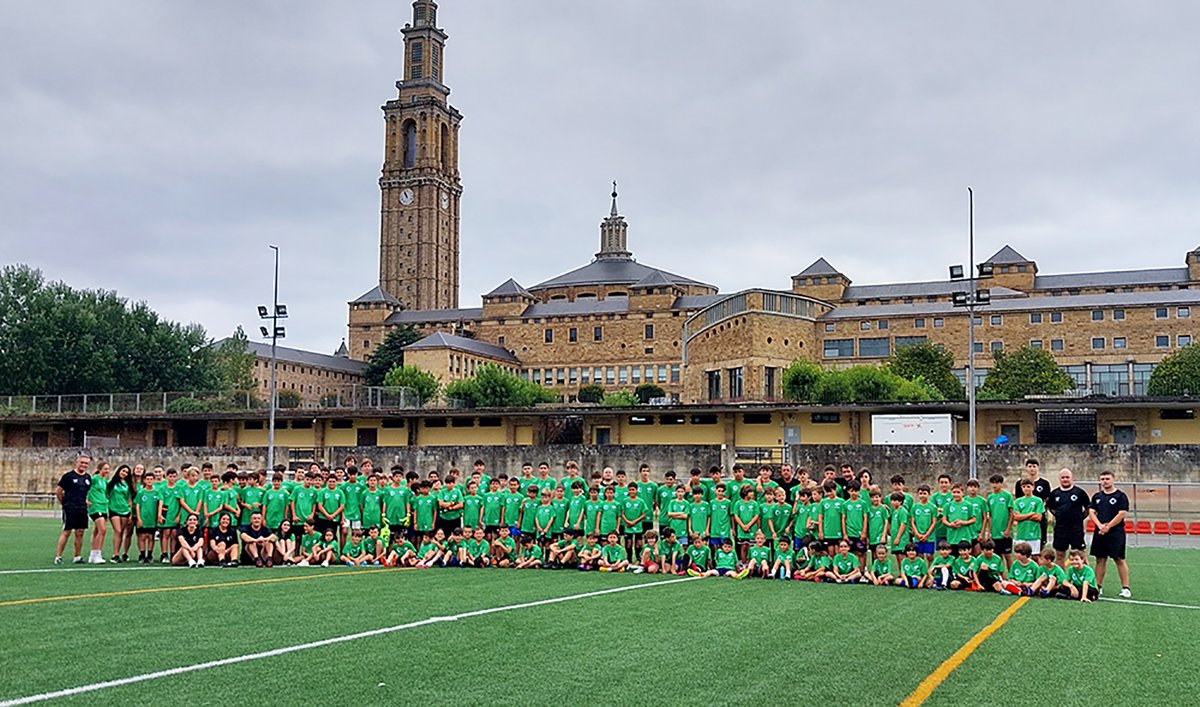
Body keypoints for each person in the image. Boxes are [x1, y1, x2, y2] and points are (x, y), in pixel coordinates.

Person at [1088, 470, 1131, 598]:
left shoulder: (1120, 496)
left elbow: (1122, 513)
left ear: (1113, 479)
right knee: (1100, 559)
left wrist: (1108, 526)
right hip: (1100, 532)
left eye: (1107, 478)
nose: (1104, 481)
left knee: (1119, 559)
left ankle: (1126, 588)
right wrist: (1100, 525)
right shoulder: (1097, 496)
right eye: (1102, 479)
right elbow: (1091, 512)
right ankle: (1098, 587)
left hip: (1115, 533)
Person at [1046, 468, 1090, 566]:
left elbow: (1088, 508)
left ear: (1072, 478)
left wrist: (1079, 517)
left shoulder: (1079, 492)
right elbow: (1051, 508)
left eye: (1067, 477)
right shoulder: (1055, 493)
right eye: (1063, 477)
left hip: (1076, 529)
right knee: (1060, 555)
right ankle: (1062, 579)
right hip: (1060, 529)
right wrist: (1059, 515)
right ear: (1059, 479)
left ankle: (1087, 578)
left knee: (1081, 554)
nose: (1065, 479)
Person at [1016, 459, 1052, 545]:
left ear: (1038, 468)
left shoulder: (1044, 483)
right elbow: (1017, 501)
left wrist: (1046, 513)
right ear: (1026, 468)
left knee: (1040, 543)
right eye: (1030, 466)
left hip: (1039, 516)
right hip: (1024, 520)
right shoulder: (1019, 483)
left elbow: (1047, 500)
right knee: (1023, 546)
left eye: (1034, 466)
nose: (1032, 468)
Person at [107, 464, 135, 563]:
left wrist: (131, 513)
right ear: (119, 471)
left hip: (125, 510)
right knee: (117, 531)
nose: (124, 473)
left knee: (122, 532)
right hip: (113, 509)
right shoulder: (111, 483)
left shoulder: (128, 484)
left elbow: (129, 500)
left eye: (126, 472)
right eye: (123, 471)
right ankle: (114, 554)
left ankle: (118, 554)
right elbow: (105, 494)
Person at [84, 459, 109, 564]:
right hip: (95, 506)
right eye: (105, 469)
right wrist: (85, 499)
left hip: (103, 506)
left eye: (108, 469)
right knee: (103, 530)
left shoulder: (104, 481)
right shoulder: (94, 479)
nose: (107, 470)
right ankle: (98, 553)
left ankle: (93, 555)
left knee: (97, 530)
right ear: (100, 469)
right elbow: (85, 487)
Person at [1012, 479, 1045, 554]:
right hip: (1021, 534)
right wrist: (1031, 514)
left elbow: (1038, 517)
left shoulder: (1038, 500)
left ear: (1033, 487)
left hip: (1034, 534)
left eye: (1028, 486)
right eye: (1024, 487)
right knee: (1020, 556)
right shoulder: (1018, 501)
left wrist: (1022, 516)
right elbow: (1016, 517)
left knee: (1034, 556)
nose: (1026, 488)